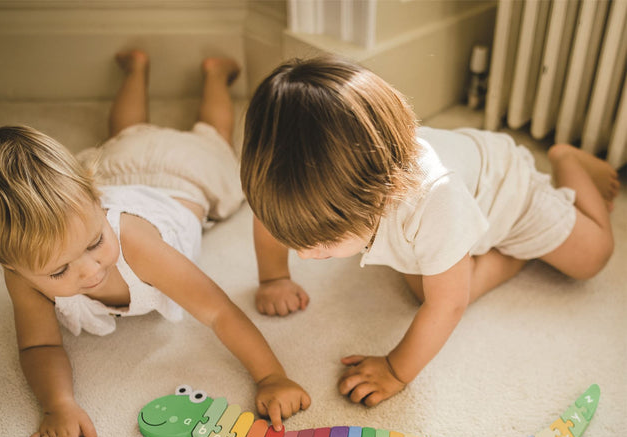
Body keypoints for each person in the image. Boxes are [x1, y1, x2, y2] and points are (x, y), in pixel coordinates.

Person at [0, 50, 310, 437]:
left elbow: (218, 310)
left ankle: (216, 75)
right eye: (59, 271)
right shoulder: (23, 274)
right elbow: (38, 345)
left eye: (95, 242)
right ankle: (136, 69)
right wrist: (58, 403)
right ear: (9, 266)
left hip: (185, 174)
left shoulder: (134, 242)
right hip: (124, 167)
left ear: (96, 197)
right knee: (124, 135)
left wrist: (271, 376)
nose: (89, 270)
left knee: (212, 139)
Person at [241, 54, 618, 408]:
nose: (305, 254)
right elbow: (267, 219)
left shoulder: (435, 197)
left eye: (323, 240)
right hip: (446, 217)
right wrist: (274, 277)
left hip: (510, 195)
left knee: (593, 257)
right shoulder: (289, 184)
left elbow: (448, 306)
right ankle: (494, 255)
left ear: (379, 193)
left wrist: (395, 370)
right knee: (427, 288)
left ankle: (567, 159)